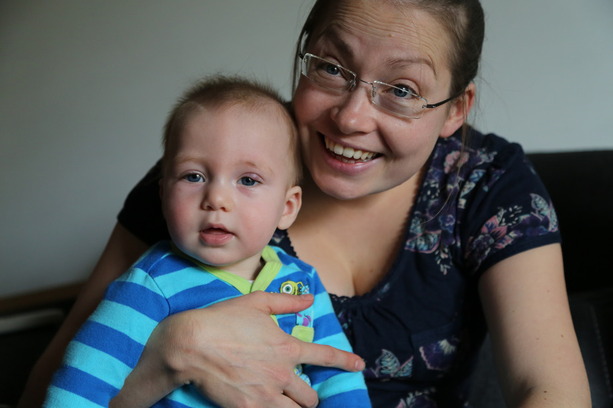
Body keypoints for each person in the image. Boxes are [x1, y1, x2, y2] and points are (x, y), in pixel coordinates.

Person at [20, 1, 591, 407]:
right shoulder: (209, 175)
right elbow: (51, 388)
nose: (351, 118)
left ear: (455, 110)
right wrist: (169, 356)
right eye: (332, 67)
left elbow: (551, 390)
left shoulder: (488, 185)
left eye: (403, 90)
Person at [42, 76, 371, 408]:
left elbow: (337, 374)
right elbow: (80, 386)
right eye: (193, 176)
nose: (216, 198)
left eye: (247, 179)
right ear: (163, 194)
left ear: (286, 208)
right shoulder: (149, 286)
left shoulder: (303, 281)